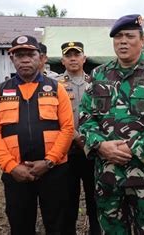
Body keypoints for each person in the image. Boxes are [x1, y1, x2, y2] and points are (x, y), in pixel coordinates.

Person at [79, 14, 144, 234]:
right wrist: (100, 145)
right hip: (107, 171)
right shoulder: (98, 75)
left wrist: (133, 148)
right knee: (112, 229)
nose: (123, 41)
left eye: (129, 36)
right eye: (118, 37)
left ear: (143, 41)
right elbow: (85, 115)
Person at [0, 35, 74, 235]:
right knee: (20, 224)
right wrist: (11, 166)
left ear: (40, 57)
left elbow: (67, 128)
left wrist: (49, 161)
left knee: (59, 224)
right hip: (16, 174)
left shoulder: (56, 88)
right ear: (12, 60)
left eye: (30, 54)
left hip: (54, 171)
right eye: (19, 55)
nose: (25, 59)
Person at [56, 41, 101, 235]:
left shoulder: (97, 83)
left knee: (96, 198)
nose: (73, 58)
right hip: (66, 151)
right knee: (67, 199)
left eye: (77, 55)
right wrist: (73, 136)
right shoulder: (53, 85)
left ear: (84, 58)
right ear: (62, 60)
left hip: (92, 150)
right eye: (68, 55)